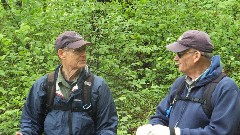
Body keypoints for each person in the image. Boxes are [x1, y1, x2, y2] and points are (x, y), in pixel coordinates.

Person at [136, 30, 240, 135]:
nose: (175, 59)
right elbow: (160, 116)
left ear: (196, 56)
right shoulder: (180, 84)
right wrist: (151, 129)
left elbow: (221, 132)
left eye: (179, 54)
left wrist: (176, 133)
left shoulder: (226, 88)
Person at [17, 31, 118, 135]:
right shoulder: (45, 85)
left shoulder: (97, 85)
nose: (83, 54)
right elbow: (31, 123)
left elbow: (107, 127)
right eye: (77, 50)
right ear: (61, 53)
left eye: (84, 49)